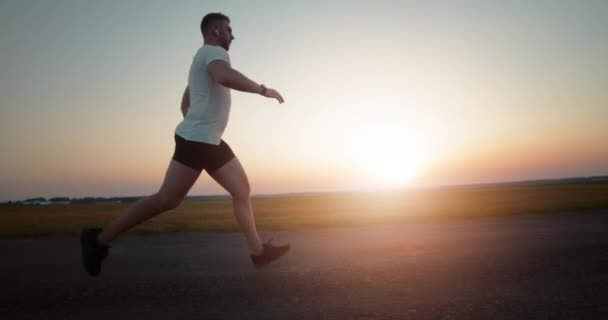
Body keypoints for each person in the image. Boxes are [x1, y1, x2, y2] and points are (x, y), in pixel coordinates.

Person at [80, 12, 290, 277]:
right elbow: (224, 76)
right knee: (167, 199)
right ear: (214, 30)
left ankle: (258, 252)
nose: (232, 35)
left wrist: (197, 124)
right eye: (228, 29)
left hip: (208, 140)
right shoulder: (212, 54)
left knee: (241, 189)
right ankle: (98, 239)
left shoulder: (200, 61)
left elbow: (185, 102)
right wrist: (263, 89)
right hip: (198, 140)